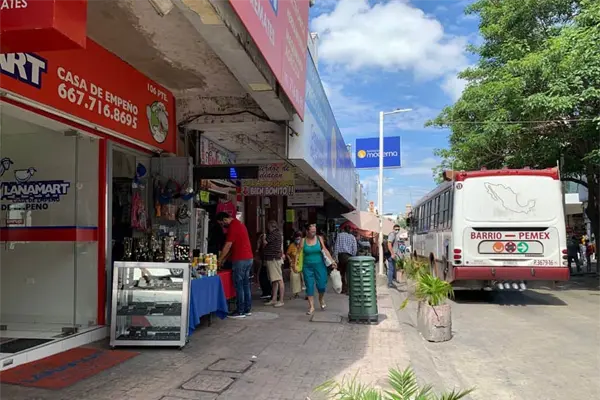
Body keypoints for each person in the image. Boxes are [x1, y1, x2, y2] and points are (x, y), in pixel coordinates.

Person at [216, 212, 253, 318]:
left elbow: (228, 245)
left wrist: (219, 259)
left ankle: (240, 311)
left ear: (225, 220)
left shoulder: (233, 227)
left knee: (239, 285)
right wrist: (225, 258)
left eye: (222, 224)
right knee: (246, 285)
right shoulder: (240, 224)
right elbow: (233, 247)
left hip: (240, 259)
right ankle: (247, 309)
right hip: (248, 258)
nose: (222, 226)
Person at [301, 223, 337, 315]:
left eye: (315, 231)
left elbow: (325, 250)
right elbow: (299, 253)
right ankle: (311, 307)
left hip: (320, 265)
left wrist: (332, 261)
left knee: (321, 285)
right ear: (307, 231)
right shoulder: (303, 241)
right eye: (312, 231)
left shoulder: (319, 238)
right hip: (307, 266)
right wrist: (295, 264)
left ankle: (321, 299)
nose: (314, 233)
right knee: (309, 285)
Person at [263, 220, 285, 307]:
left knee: (279, 279)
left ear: (271, 226)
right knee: (274, 280)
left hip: (273, 259)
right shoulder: (278, 234)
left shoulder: (273, 234)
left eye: (268, 226)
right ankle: (274, 299)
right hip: (273, 258)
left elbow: (265, 242)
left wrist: (264, 237)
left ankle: (281, 300)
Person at [333, 225, 357, 294]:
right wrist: (353, 257)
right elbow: (354, 249)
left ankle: (343, 288)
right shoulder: (352, 237)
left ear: (344, 229)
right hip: (349, 257)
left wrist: (335, 257)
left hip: (341, 256)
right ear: (350, 230)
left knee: (342, 273)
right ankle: (349, 290)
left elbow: (336, 247)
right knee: (349, 274)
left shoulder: (339, 235)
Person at [286, 231, 305, 298]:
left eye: (299, 238)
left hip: (302, 264)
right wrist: (290, 260)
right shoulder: (291, 245)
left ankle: (307, 294)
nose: (298, 240)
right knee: (295, 279)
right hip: (294, 265)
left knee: (304, 279)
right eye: (297, 238)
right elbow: (287, 254)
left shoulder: (303, 245)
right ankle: (296, 293)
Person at [255, 231, 272, 300]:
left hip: (266, 263)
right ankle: (267, 292)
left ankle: (267, 292)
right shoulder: (262, 247)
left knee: (264, 277)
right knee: (263, 276)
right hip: (264, 263)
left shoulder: (264, 247)